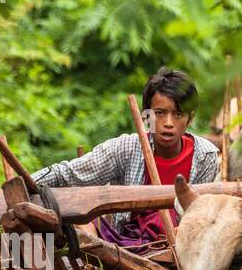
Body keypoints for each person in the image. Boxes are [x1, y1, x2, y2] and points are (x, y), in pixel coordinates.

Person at [31, 67, 220, 251]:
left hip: (177, 246)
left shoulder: (205, 156)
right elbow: (67, 174)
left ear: (190, 118)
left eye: (178, 114)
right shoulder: (126, 148)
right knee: (81, 224)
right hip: (121, 245)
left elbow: (199, 217)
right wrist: (25, 184)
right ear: (146, 116)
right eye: (160, 113)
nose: (168, 123)